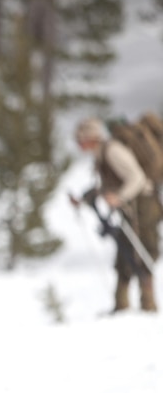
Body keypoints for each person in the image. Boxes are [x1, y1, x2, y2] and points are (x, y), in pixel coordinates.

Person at [71, 117, 159, 312]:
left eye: (80, 139)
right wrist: (85, 200)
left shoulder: (113, 151)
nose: (78, 143)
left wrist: (119, 197)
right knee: (125, 254)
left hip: (142, 206)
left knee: (142, 252)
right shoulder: (101, 154)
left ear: (90, 138)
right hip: (131, 207)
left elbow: (137, 178)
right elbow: (106, 185)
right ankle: (122, 305)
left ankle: (148, 304)